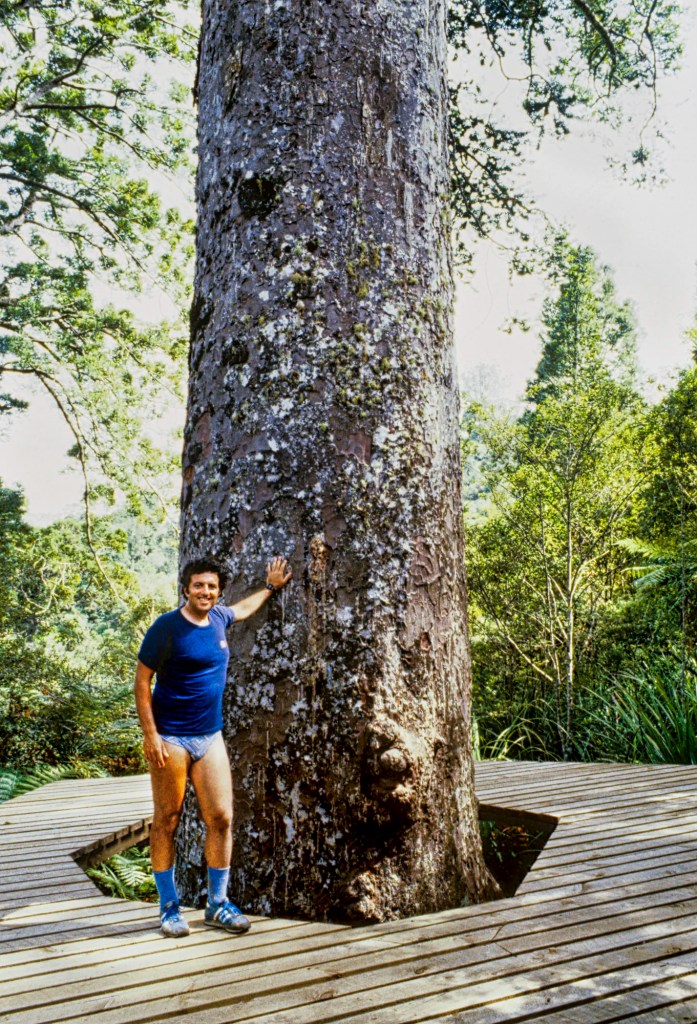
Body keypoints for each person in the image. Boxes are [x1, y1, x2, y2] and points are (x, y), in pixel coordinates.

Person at [135, 555, 292, 938]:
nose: (205, 592)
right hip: (171, 738)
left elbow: (243, 608)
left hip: (210, 736)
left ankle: (217, 904)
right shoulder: (166, 628)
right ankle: (169, 907)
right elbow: (142, 682)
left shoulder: (219, 618)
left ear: (218, 590)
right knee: (167, 821)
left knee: (220, 819)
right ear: (186, 589)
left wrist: (270, 587)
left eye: (211, 586)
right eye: (198, 585)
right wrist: (151, 735)